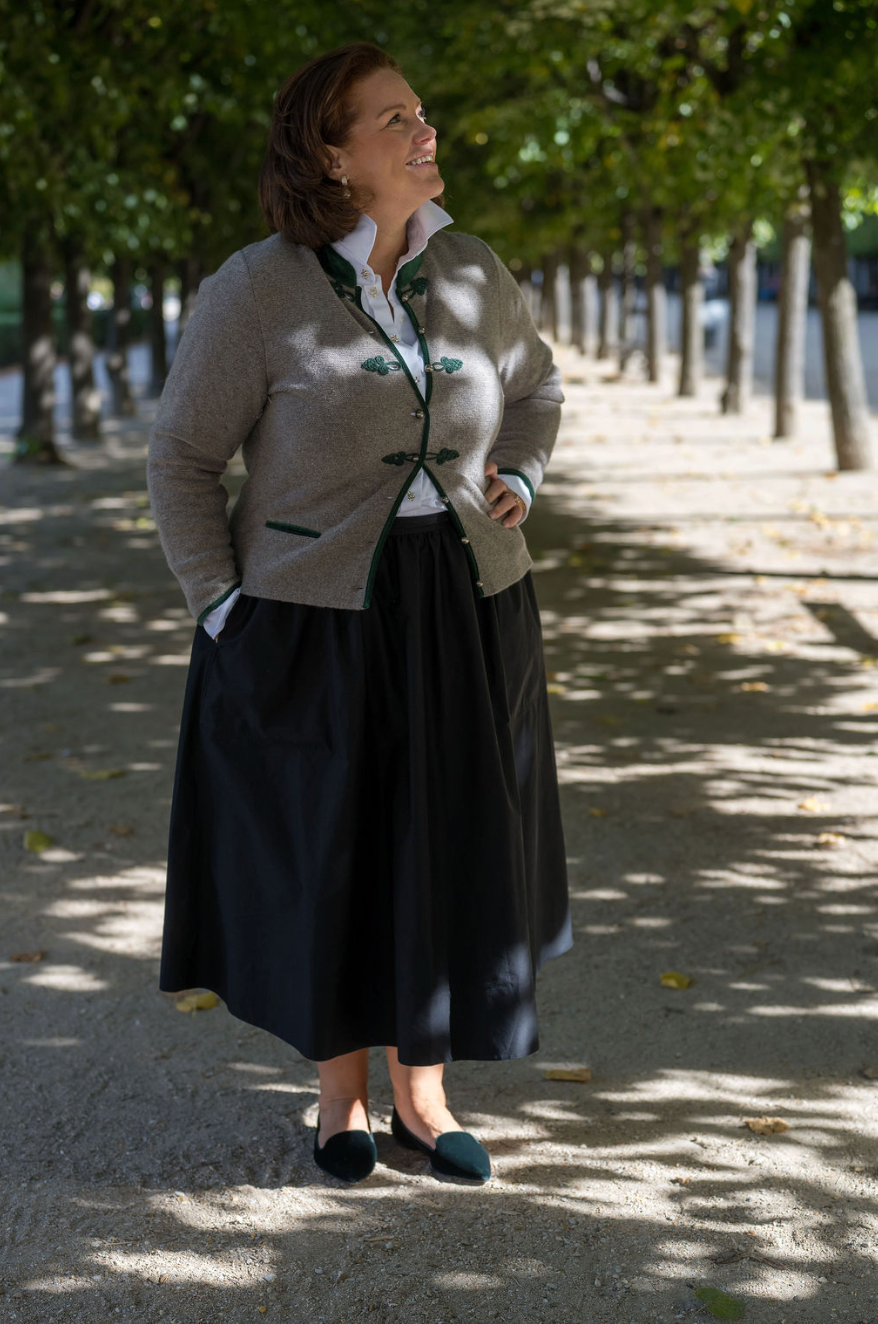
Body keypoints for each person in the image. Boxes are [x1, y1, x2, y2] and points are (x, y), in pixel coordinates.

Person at [147, 42, 573, 1187]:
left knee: (440, 842)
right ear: (332, 156)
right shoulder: (255, 291)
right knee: (328, 850)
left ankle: (423, 1102)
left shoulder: (474, 270)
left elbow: (534, 389)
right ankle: (338, 1098)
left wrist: (520, 478)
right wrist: (222, 604)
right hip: (308, 618)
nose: (422, 131)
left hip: (464, 604)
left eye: (420, 111)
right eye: (393, 119)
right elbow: (182, 458)